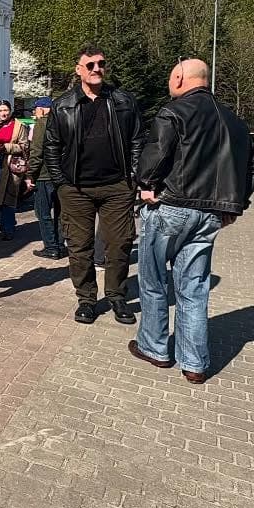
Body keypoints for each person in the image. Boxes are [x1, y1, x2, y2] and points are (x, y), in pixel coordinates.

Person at [131, 59, 254, 383]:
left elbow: (155, 156)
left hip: (171, 206)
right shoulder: (235, 122)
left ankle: (155, 347)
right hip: (210, 215)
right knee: (194, 287)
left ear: (179, 77)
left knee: (153, 281)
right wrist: (233, 204)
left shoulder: (174, 112)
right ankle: (194, 363)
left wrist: (146, 185)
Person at [42, 46, 145, 325]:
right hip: (76, 189)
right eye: (90, 65)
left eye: (101, 64)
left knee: (120, 244)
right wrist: (61, 182)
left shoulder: (123, 100)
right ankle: (86, 299)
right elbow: (51, 145)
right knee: (79, 246)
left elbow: (137, 140)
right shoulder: (63, 104)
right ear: (79, 70)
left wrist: (133, 177)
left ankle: (117, 296)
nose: (97, 69)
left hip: (117, 186)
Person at [26, 98, 64, 259]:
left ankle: (51, 247)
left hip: (44, 175)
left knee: (43, 212)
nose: (34, 113)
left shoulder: (42, 124)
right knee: (60, 212)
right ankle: (60, 244)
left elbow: (36, 152)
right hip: (62, 175)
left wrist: (30, 174)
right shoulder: (63, 122)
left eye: (35, 110)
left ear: (41, 109)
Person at [0, 100, 28, 240]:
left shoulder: (19, 126)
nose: (3, 113)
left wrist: (7, 147)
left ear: (10, 110)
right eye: (0, 111)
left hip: (11, 165)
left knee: (9, 197)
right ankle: (4, 226)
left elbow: (25, 147)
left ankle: (9, 229)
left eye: (5, 110)